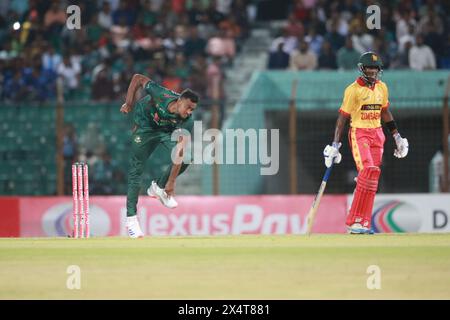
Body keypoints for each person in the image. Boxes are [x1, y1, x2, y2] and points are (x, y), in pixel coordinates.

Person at [324, 52, 409, 234]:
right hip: (360, 133)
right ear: (362, 69)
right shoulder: (352, 90)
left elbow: (385, 112)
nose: (372, 71)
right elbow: (342, 119)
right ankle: (353, 221)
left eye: (375, 68)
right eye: (369, 68)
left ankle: (363, 222)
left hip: (378, 133)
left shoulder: (382, 87)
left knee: (372, 177)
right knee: (367, 171)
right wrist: (335, 144)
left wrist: (397, 136)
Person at [120, 74, 199, 238]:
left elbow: (180, 152)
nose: (190, 112)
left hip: (165, 131)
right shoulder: (160, 93)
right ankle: (131, 220)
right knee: (136, 172)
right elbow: (137, 78)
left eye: (193, 109)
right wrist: (129, 103)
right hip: (145, 127)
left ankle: (158, 187)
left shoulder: (188, 120)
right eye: (188, 107)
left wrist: (170, 183)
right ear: (179, 101)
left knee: (187, 158)